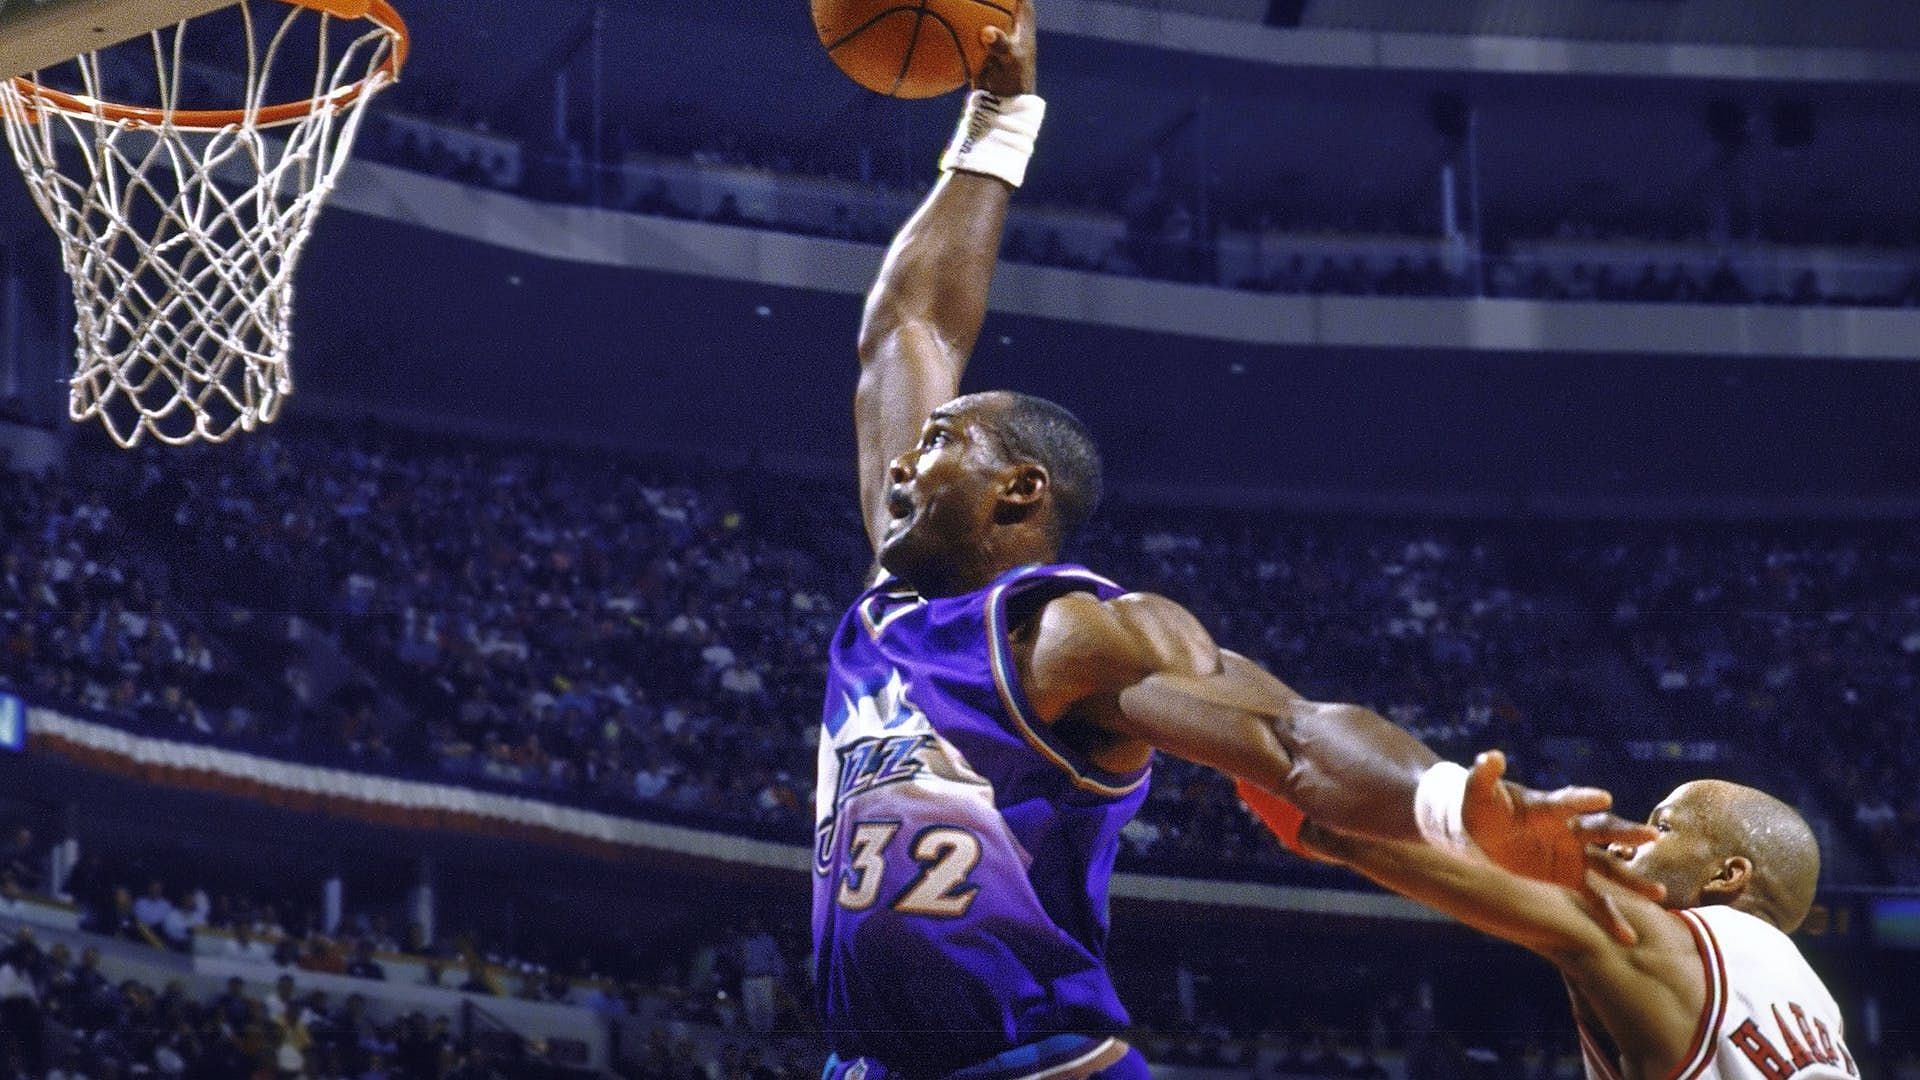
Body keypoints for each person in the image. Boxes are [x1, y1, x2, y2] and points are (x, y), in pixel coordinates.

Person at [812, 5, 1654, 1078]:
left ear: (1017, 492)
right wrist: (1000, 117)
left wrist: (1449, 804)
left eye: (937, 445)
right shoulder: (889, 610)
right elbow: (908, 329)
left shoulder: (1067, 638)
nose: (897, 464)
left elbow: (1292, 739)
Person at [1303, 755, 1857, 1080]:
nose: (1623, 846)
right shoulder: (1820, 1011)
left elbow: (1494, 878)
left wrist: (1305, 807)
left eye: (1659, 829)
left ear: (1725, 876)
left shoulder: (1695, 945)